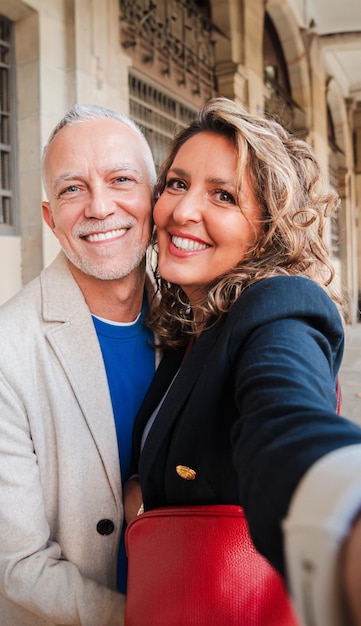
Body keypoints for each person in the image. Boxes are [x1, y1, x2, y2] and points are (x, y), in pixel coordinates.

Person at [125, 96, 361, 626]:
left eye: (224, 196)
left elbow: (289, 426)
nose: (182, 210)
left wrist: (346, 517)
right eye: (177, 184)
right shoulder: (195, 322)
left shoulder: (279, 308)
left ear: (267, 230)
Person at [0, 104, 157, 626]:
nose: (99, 206)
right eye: (71, 189)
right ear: (50, 217)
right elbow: (16, 561)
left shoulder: (193, 320)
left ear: (154, 200)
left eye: (121, 179)